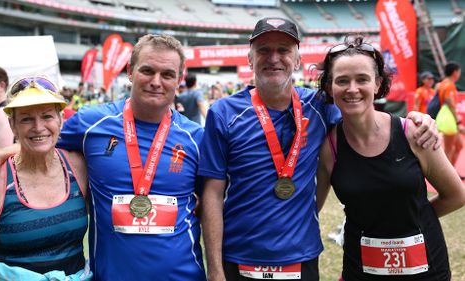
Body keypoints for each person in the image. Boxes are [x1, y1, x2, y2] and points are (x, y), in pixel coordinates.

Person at [199, 17, 441, 281]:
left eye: (284, 50)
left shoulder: (320, 105)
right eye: (264, 50)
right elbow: (212, 193)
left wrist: (417, 119)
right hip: (238, 256)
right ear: (249, 59)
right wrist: (215, 270)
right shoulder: (223, 113)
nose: (274, 58)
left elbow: (364, 116)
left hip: (301, 257)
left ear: (298, 60)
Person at [0, 34, 206, 281]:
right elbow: (42, 138)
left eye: (167, 74)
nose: (156, 81)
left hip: (182, 275)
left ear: (179, 79)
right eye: (147, 70)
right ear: (130, 71)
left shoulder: (198, 138)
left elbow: (212, 203)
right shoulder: (91, 123)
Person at [316, 35, 465, 281]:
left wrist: (408, 221)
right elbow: (311, 209)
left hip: (426, 270)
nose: (352, 89)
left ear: (377, 84)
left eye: (362, 79)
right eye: (342, 81)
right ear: (330, 87)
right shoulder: (329, 148)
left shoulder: (414, 133)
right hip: (361, 270)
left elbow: (456, 195)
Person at [0, 76, 92, 280]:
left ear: (60, 120)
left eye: (47, 116)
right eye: (26, 118)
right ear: (12, 125)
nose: (38, 127)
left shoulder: (79, 166)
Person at [437, 62, 462, 166]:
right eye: (459, 71)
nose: (460, 73)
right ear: (455, 72)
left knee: (459, 146)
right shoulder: (449, 85)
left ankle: (452, 171)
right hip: (450, 120)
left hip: (448, 118)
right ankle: (446, 177)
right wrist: (457, 120)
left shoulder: (442, 83)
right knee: (449, 149)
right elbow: (450, 103)